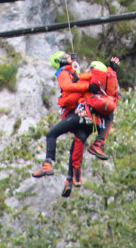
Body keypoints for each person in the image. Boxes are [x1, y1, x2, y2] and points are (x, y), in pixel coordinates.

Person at [31, 50, 99, 198]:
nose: (69, 57)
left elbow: (70, 88)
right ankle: (70, 179)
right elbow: (69, 86)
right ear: (61, 61)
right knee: (76, 145)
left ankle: (48, 164)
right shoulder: (65, 73)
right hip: (89, 119)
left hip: (77, 114)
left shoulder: (71, 73)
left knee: (52, 133)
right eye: (66, 57)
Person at [82, 56, 120, 160]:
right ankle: (98, 143)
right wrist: (112, 70)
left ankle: (98, 144)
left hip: (85, 110)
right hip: (85, 110)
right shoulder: (95, 83)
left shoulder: (86, 79)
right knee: (109, 116)